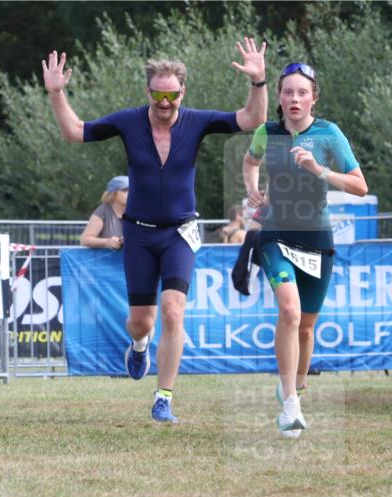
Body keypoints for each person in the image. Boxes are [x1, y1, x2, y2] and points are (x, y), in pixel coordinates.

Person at [42, 38, 267, 423]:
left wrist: (258, 83)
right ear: (148, 92)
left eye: (173, 94)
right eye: (158, 94)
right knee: (142, 320)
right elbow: (75, 132)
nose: (165, 102)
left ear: (183, 92)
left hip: (180, 231)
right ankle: (139, 344)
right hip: (139, 234)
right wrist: (57, 93)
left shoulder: (196, 121)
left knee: (173, 311)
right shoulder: (128, 121)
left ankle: (164, 396)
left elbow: (252, 119)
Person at [243, 62, 368, 436]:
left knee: (307, 328)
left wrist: (319, 170)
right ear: (279, 97)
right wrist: (252, 187)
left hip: (317, 237)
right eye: (288, 92)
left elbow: (360, 186)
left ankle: (294, 387)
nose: (294, 98)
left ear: (314, 96)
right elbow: (251, 160)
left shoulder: (330, 134)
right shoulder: (268, 132)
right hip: (276, 232)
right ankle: (291, 405)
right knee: (290, 311)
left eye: (302, 92)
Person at [80, 176, 127, 249]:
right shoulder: (103, 211)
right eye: (125, 190)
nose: (131, 193)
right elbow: (85, 240)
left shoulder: (139, 211)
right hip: (107, 259)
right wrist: (107, 242)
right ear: (113, 193)